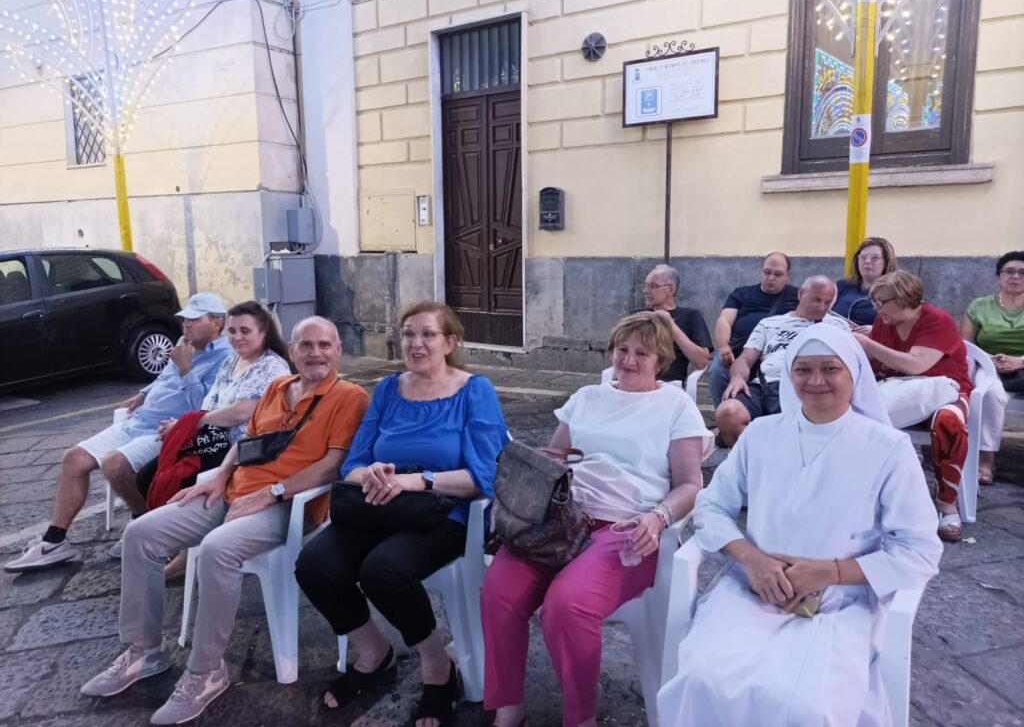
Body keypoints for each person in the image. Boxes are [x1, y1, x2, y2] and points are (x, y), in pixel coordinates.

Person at [78, 316, 368, 725]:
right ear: (292, 349)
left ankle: (206, 671)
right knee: (140, 533)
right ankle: (144, 652)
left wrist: (272, 492)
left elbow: (332, 465)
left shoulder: (350, 397)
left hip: (289, 505)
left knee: (218, 548)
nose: (315, 353)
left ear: (338, 350)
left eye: (324, 345)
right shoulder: (277, 387)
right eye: (305, 345)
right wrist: (219, 476)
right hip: (233, 491)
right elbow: (246, 442)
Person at [657, 323, 942, 727]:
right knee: (702, 678)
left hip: (841, 603)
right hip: (753, 590)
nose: (816, 381)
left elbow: (919, 550)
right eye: (803, 370)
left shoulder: (888, 448)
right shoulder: (760, 434)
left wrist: (830, 572)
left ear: (854, 373)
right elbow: (711, 507)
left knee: (806, 706)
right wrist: (753, 560)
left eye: (830, 369)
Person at [483, 312, 712, 727]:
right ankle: (508, 708)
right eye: (622, 349)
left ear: (660, 360)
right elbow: (552, 461)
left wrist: (658, 518)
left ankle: (580, 717)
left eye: (642, 353)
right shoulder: (587, 397)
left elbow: (690, 485)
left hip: (627, 529)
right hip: (560, 521)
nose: (629, 360)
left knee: (568, 604)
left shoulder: (676, 406)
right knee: (499, 591)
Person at [294, 302, 508, 727]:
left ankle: (437, 666)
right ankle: (373, 652)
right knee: (314, 564)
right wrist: (372, 472)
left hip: (446, 513)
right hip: (380, 506)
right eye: (408, 333)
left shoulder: (474, 390)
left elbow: (485, 475)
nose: (416, 343)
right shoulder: (388, 389)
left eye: (427, 334)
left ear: (450, 342)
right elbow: (353, 463)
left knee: (383, 570)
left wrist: (419, 480)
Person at [4, 292, 231, 573]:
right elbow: (164, 378)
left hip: (170, 430)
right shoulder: (183, 345)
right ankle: (53, 542)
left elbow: (205, 408)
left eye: (194, 319)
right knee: (74, 458)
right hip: (138, 421)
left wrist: (186, 369)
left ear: (217, 322)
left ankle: (146, 525)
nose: (186, 324)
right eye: (184, 319)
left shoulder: (225, 358)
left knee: (114, 464)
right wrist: (143, 393)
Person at [135, 301, 292, 578]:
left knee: (178, 480)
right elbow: (209, 403)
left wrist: (192, 422)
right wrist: (182, 425)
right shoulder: (232, 361)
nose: (237, 337)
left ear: (264, 332)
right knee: (148, 476)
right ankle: (176, 543)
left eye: (245, 331)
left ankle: (187, 552)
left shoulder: (271, 366)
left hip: (239, 449)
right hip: (211, 439)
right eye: (232, 331)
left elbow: (240, 412)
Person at [853, 270, 973, 542]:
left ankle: (947, 504)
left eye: (882, 301)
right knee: (857, 411)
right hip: (900, 391)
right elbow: (878, 365)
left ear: (905, 298)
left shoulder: (937, 320)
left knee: (948, 420)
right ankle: (876, 495)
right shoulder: (883, 321)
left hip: (946, 391)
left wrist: (868, 344)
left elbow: (917, 365)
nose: (877, 308)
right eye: (874, 302)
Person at [715, 276, 848, 447]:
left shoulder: (837, 326)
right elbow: (746, 358)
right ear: (801, 293)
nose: (822, 307)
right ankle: (761, 459)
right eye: (816, 300)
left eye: (827, 302)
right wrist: (738, 377)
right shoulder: (769, 324)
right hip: (767, 385)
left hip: (812, 386)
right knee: (728, 413)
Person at [962, 251, 1024, 484]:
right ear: (998, 277)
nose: (1016, 276)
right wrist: (991, 360)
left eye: (1023, 272)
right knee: (990, 393)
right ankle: (986, 460)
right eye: (1009, 271)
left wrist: (1019, 361)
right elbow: (966, 345)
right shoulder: (980, 306)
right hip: (988, 364)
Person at [708, 252, 799, 406]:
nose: (771, 278)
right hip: (739, 351)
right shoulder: (742, 294)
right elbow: (724, 320)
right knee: (717, 369)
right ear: (761, 271)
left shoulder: (798, 296)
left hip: (777, 355)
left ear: (788, 276)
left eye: (778, 274)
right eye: (767, 272)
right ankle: (724, 412)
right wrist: (723, 346)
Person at [639, 263, 712, 382]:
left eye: (653, 286)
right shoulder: (639, 315)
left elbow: (701, 362)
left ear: (671, 289)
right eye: (645, 285)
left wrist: (672, 327)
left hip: (666, 383)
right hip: (632, 379)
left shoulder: (690, 316)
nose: (645, 291)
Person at [833, 237, 899, 326]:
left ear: (887, 261)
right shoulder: (841, 286)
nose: (867, 261)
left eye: (874, 258)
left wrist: (875, 330)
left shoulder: (897, 291)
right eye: (863, 257)